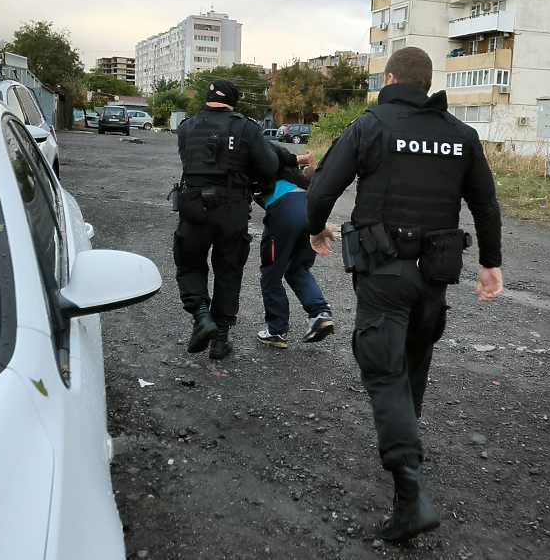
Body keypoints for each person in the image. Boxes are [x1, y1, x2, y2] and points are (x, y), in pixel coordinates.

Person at [305, 47, 503, 542]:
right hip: (434, 275)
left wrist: (314, 230)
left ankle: (410, 492)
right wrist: (491, 265)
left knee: (383, 370)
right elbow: (485, 204)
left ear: (391, 78)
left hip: (383, 274)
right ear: (427, 83)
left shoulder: (371, 124)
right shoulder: (461, 135)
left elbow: (323, 188)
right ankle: (405, 475)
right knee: (413, 365)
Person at [174, 79, 279, 360]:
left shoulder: (186, 127)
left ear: (207, 98)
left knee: (190, 264)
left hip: (194, 207)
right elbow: (268, 167)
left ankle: (200, 316)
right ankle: (220, 340)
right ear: (233, 101)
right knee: (229, 272)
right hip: (232, 209)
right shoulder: (245, 127)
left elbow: (191, 163)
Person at [255, 145, 334, 349]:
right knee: (298, 268)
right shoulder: (281, 160)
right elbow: (296, 163)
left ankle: (276, 331)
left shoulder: (252, 152)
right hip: (308, 207)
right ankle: (320, 313)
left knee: (271, 274)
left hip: (284, 210)